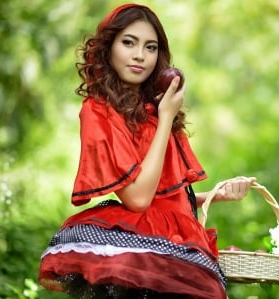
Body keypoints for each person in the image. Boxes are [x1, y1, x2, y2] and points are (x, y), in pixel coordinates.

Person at [38, 3, 256, 299]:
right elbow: (139, 200)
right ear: (108, 47)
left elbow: (162, 200)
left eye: (150, 47)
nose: (140, 55)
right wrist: (167, 118)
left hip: (178, 241)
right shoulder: (99, 112)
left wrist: (214, 195)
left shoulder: (154, 110)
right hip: (144, 255)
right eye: (129, 43)